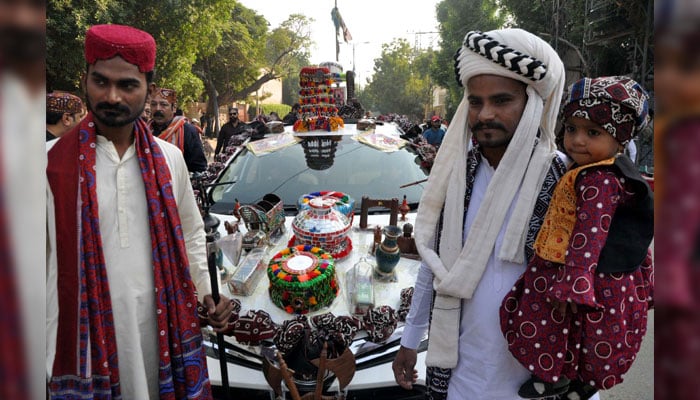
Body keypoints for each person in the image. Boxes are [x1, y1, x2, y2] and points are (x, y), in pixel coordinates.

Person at [392, 28, 585, 400]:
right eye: (476, 102)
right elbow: (433, 262)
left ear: (532, 103)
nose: (486, 114)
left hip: (537, 381)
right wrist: (411, 338)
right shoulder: (455, 176)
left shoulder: (567, 181)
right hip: (461, 374)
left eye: (501, 100)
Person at [46, 24, 235, 399]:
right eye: (101, 82)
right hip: (79, 344)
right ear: (85, 80)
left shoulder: (170, 160)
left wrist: (205, 291)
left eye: (128, 85)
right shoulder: (48, 164)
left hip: (160, 334)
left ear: (148, 87)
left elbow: (191, 232)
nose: (112, 96)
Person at [500, 76, 654, 399]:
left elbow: (590, 232)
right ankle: (576, 382)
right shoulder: (602, 170)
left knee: (556, 328)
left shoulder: (599, 179)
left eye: (593, 132)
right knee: (581, 336)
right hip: (579, 270)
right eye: (571, 129)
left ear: (620, 139)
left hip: (578, 274)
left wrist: (576, 282)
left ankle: (560, 379)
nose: (578, 141)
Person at [149, 87, 208, 172]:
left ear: (174, 108)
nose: (158, 109)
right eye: (154, 104)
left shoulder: (187, 131)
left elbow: (199, 169)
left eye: (163, 104)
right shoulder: (143, 131)